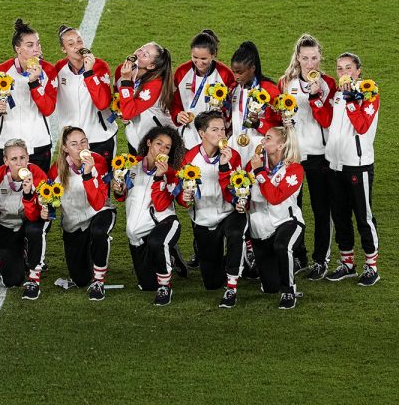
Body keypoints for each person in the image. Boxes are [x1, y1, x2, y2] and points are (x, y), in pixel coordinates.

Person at [277, 34, 337, 280]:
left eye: (314, 58)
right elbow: (281, 116)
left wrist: (315, 96)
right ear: (298, 58)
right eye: (305, 58)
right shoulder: (285, 82)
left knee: (322, 209)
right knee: (294, 208)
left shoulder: (329, 84)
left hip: (319, 156)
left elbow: (327, 120)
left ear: (320, 57)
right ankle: (299, 254)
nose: (310, 63)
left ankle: (321, 260)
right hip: (293, 156)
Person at [176, 111, 245, 308]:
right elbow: (181, 196)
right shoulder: (189, 158)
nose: (221, 134)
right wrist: (185, 198)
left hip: (229, 213)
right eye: (215, 130)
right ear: (201, 133)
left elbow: (235, 193)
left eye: (223, 129)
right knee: (212, 282)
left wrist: (225, 167)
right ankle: (234, 262)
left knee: (235, 233)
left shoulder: (233, 156)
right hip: (203, 219)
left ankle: (232, 287)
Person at [324, 53, 380, 286]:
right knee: (340, 215)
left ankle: (371, 266)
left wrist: (350, 99)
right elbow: (327, 122)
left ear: (358, 71)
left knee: (363, 216)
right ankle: (347, 263)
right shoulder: (337, 95)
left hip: (358, 165)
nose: (344, 72)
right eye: (339, 68)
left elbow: (361, 125)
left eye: (349, 68)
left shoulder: (370, 94)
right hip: (335, 164)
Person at [112, 127, 184, 305]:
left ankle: (165, 287)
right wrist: (118, 188)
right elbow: (121, 197)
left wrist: (160, 177)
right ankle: (171, 256)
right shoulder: (130, 164)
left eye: (167, 147)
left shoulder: (171, 174)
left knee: (157, 243)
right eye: (159, 143)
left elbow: (161, 205)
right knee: (146, 285)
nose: (162, 149)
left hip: (163, 223)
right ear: (149, 142)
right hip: (136, 234)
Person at [48, 126, 116, 301]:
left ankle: (99, 281)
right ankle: (88, 265)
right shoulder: (56, 170)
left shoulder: (98, 162)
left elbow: (98, 202)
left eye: (83, 142)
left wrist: (87, 175)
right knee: (80, 279)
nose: (80, 147)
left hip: (99, 212)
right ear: (65, 148)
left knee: (99, 232)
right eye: (74, 144)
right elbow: (50, 202)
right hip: (73, 223)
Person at [248, 127, 305, 309]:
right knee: (270, 287)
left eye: (268, 138)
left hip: (287, 222)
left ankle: (289, 291)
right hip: (262, 229)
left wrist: (259, 173)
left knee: (283, 246)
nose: (263, 141)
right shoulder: (254, 165)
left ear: (281, 145)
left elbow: (274, 198)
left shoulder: (295, 169)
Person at [0, 19, 57, 172]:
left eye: (38, 44)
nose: (36, 49)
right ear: (18, 48)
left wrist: (34, 83)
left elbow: (48, 109)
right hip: (8, 146)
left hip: (39, 144)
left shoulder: (49, 71)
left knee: (39, 193)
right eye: (30, 45)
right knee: (5, 193)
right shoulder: (1, 72)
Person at [0, 138, 50, 299]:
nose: (19, 163)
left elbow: (34, 215)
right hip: (6, 225)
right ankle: (19, 253)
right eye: (14, 159)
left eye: (22, 158)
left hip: (29, 222)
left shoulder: (37, 175)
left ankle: (34, 278)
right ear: (5, 161)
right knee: (12, 280)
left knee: (35, 229)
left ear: (28, 158)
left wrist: (28, 193)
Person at [54, 25, 115, 170]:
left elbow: (102, 103)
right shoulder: (58, 69)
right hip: (71, 143)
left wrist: (89, 73)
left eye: (79, 41)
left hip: (99, 139)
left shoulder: (99, 66)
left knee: (100, 188)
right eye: (71, 44)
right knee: (72, 187)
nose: (77, 47)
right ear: (64, 49)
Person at [172, 29, 235, 150]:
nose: (199, 63)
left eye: (204, 59)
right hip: (188, 135)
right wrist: (177, 115)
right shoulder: (182, 72)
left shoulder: (225, 74)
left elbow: (231, 106)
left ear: (213, 55)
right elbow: (174, 102)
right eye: (194, 57)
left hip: (215, 136)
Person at [115, 42, 176, 155]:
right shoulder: (122, 70)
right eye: (140, 49)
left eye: (145, 55)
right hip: (135, 138)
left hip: (158, 142)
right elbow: (120, 100)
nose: (139, 54)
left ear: (151, 66)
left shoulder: (155, 84)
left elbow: (129, 112)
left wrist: (126, 81)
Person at [227, 41, 281, 165]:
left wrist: (258, 124)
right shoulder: (233, 89)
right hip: (235, 147)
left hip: (260, 147)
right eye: (234, 72)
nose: (236, 77)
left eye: (240, 72)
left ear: (252, 68)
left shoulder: (269, 90)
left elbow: (279, 126)